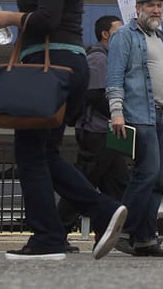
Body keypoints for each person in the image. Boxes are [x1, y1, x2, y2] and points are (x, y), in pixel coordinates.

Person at [0, 0, 127, 260]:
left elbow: (46, 18)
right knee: (45, 153)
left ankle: (49, 237)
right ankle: (97, 213)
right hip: (69, 67)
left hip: (48, 67)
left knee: (30, 155)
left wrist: (10, 17)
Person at [106, 0, 163, 257]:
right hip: (139, 115)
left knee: (157, 180)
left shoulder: (161, 38)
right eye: (151, 5)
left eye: (160, 6)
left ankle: (146, 239)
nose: (156, 10)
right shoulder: (124, 36)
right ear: (137, 8)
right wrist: (116, 111)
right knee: (145, 174)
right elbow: (114, 76)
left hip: (161, 115)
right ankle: (122, 231)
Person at [57, 15, 129, 237]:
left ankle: (108, 232)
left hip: (110, 131)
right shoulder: (99, 58)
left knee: (117, 182)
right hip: (97, 131)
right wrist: (122, 114)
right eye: (119, 30)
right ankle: (59, 228)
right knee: (87, 180)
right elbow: (96, 94)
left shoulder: (113, 59)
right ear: (105, 34)